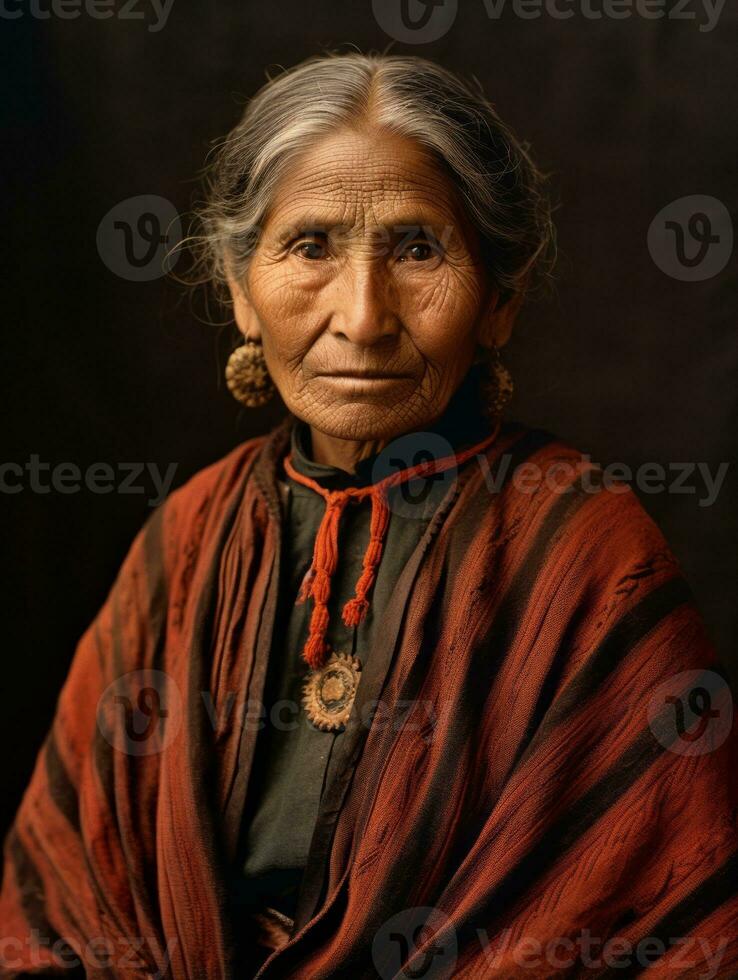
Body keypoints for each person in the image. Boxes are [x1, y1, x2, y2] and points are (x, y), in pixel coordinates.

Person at [1, 53, 736, 980]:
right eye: (310, 247)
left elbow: (663, 917)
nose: (363, 316)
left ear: (500, 300)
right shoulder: (190, 538)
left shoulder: (581, 549)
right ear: (239, 290)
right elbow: (58, 900)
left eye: (418, 248)